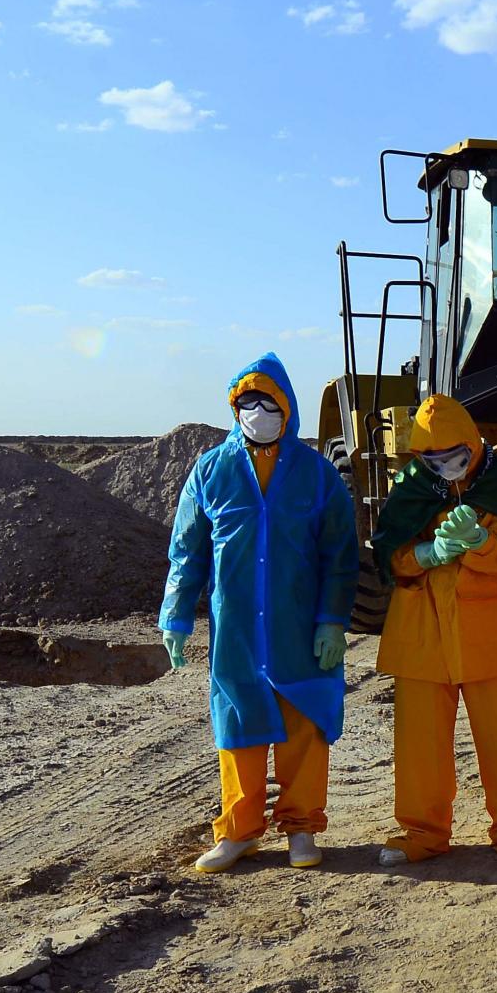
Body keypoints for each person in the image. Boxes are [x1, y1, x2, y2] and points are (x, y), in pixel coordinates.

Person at [159, 353, 360, 873]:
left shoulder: (316, 474)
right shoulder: (211, 471)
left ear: (287, 408)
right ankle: (239, 830)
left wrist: (333, 619)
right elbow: (188, 551)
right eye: (246, 402)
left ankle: (301, 828)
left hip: (300, 626)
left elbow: (341, 551)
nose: (256, 411)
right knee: (239, 724)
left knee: (303, 727)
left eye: (267, 402)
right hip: (239, 630)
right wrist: (176, 615)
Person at [370, 393, 497, 867]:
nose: (445, 466)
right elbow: (391, 553)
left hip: (488, 628)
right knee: (419, 743)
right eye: (434, 458)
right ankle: (423, 832)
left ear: (472, 443)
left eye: (454, 456)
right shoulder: (410, 484)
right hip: (423, 630)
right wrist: (424, 555)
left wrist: (480, 542)